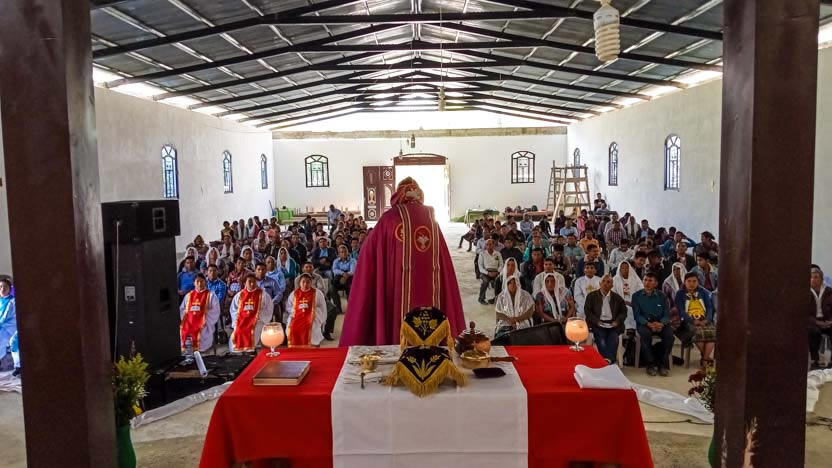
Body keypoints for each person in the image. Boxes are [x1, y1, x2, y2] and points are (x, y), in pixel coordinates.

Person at [339, 178, 466, 346]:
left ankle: (398, 348)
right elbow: (444, 264)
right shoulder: (431, 220)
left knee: (397, 310)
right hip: (431, 291)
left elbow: (368, 254)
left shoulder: (389, 218)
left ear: (398, 195)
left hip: (396, 289)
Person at [632, 273, 673, 376]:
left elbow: (667, 314)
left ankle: (662, 364)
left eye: (650, 280)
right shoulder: (636, 296)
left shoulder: (662, 296)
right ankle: (650, 364)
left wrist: (661, 324)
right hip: (644, 323)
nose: (647, 283)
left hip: (660, 323)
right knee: (645, 335)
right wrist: (648, 324)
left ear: (656, 283)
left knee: (669, 335)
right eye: (645, 280)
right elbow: (637, 315)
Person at [675, 273, 716, 367]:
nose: (691, 284)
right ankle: (706, 358)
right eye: (689, 281)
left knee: (713, 333)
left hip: (704, 319)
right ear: (684, 282)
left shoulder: (703, 292)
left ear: (698, 282)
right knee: (697, 333)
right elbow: (681, 311)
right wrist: (693, 321)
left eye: (694, 281)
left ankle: (704, 358)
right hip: (689, 320)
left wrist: (707, 320)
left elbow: (709, 307)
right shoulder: (680, 294)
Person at [584, 275, 628, 364]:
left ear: (612, 285)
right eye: (603, 281)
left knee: (614, 338)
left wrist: (617, 321)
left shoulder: (617, 298)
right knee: (601, 339)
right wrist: (597, 321)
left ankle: (606, 360)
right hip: (597, 323)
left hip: (613, 323)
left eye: (608, 282)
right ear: (600, 283)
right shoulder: (591, 296)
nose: (605, 284)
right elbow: (588, 312)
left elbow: (623, 312)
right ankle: (609, 360)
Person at [229, 275, 273, 352]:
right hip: (242, 320)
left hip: (257, 320)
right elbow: (233, 309)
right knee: (238, 331)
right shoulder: (239, 295)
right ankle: (239, 352)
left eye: (254, 282)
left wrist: (259, 316)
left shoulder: (263, 295)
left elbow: (269, 308)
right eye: (249, 282)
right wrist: (237, 319)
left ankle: (250, 351)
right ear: (245, 283)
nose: (252, 284)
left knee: (253, 331)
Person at [179, 274, 221, 353]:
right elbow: (182, 308)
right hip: (190, 322)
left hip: (205, 322)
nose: (199, 284)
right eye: (197, 281)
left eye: (201, 281)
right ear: (194, 283)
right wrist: (188, 316)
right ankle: (189, 350)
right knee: (184, 330)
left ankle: (200, 350)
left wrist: (204, 316)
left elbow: (215, 310)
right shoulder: (189, 295)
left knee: (202, 331)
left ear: (205, 282)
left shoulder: (211, 295)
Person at [286, 273, 327, 347]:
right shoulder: (294, 293)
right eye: (303, 282)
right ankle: (296, 349)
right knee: (292, 328)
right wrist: (295, 310)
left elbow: (322, 307)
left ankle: (314, 347)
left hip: (313, 316)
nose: (305, 284)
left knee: (313, 328)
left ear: (311, 282)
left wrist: (313, 310)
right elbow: (289, 306)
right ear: (300, 283)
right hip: (297, 317)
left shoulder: (318, 293)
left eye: (308, 282)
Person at [809, 266, 832, 369]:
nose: (812, 279)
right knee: (813, 332)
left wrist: (830, 321)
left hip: (827, 320)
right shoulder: (805, 292)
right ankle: (815, 361)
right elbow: (804, 313)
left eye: (816, 277)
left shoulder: (829, 292)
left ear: (822, 279)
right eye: (811, 277)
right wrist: (817, 323)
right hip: (813, 322)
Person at [613, 261, 644, 330]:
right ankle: (627, 328)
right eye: (622, 268)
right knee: (626, 309)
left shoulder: (635, 278)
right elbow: (613, 293)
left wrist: (633, 302)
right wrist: (622, 302)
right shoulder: (615, 279)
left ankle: (633, 328)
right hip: (620, 302)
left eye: (627, 268)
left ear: (629, 268)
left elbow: (641, 290)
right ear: (619, 269)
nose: (625, 270)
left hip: (633, 301)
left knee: (634, 309)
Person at [0, 279, 18, 373]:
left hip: (10, 329)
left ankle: (18, 367)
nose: (2, 289)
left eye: (5, 287)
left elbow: (5, 317)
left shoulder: (13, 301)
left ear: (9, 289)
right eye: (0, 287)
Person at [478, 238, 504, 305]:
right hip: (485, 272)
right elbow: (480, 267)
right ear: (485, 245)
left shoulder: (498, 254)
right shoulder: (482, 254)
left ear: (493, 245)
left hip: (496, 272)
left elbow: (501, 264)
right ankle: (481, 298)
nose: (489, 246)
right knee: (485, 281)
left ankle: (497, 298)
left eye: (490, 244)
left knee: (499, 281)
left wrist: (497, 272)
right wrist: (488, 273)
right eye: (487, 245)